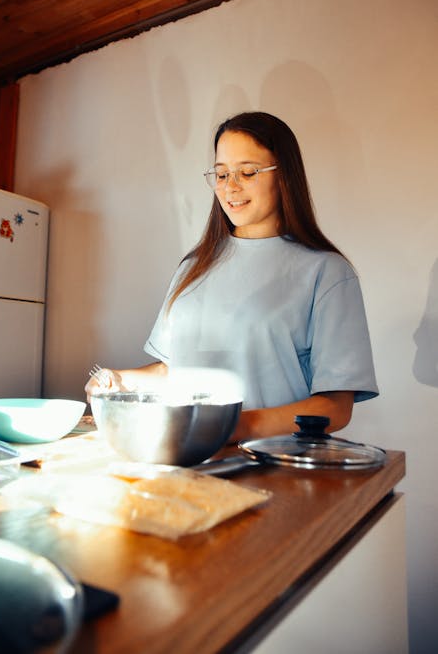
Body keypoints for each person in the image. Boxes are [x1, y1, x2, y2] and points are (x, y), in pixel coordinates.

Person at [86, 112, 378, 440]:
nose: (231, 187)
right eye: (222, 174)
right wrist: (120, 381)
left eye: (248, 172)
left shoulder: (326, 271)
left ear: (285, 176)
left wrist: (235, 426)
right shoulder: (193, 267)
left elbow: (336, 406)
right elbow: (177, 369)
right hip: (187, 454)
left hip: (274, 466)